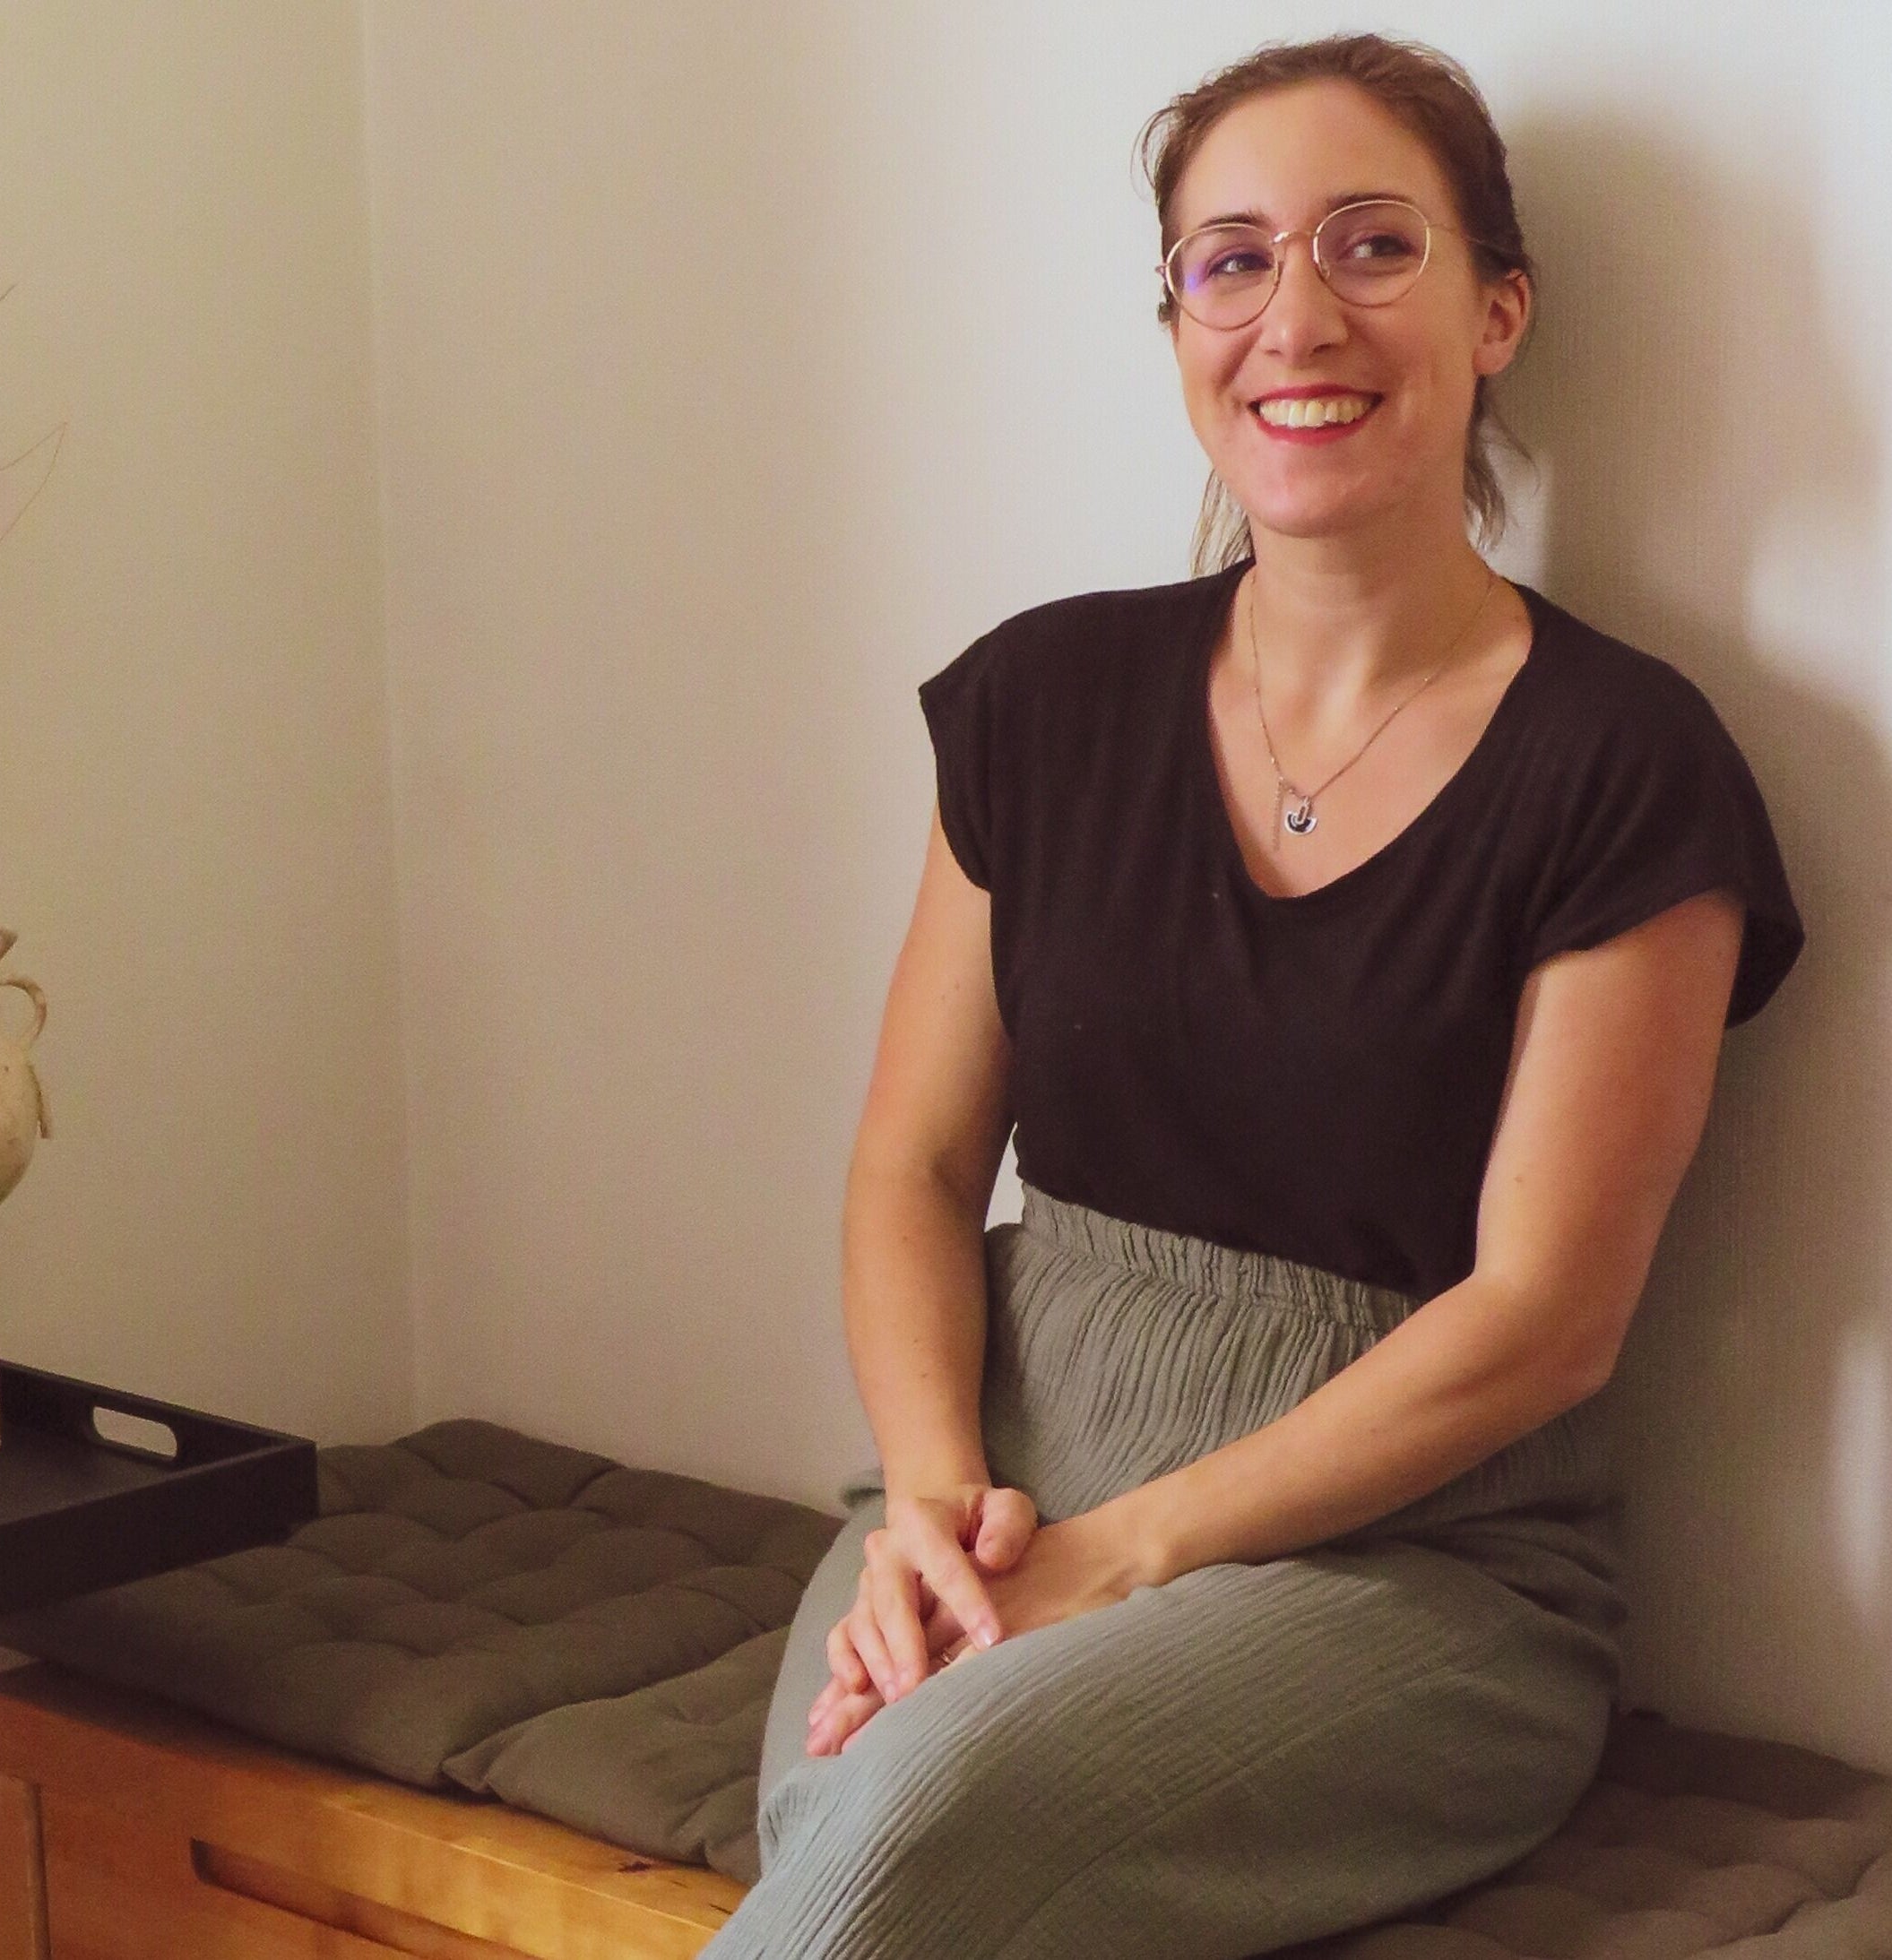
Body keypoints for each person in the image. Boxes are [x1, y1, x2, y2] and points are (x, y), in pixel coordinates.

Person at [701, 32, 1804, 1960]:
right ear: (1178, 322)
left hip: (1418, 1574)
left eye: (1373, 246)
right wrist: (943, 1520)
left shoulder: (1631, 767)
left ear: (1499, 308)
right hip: (1009, 1502)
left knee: (905, 1832)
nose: (1299, 313)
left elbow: (1547, 1319)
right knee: (857, 1805)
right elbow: (912, 1157)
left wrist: (1124, 1557)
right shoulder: (1040, 702)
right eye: (1231, 259)